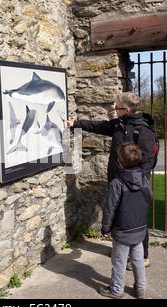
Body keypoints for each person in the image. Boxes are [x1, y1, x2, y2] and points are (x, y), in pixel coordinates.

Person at [64, 92, 156, 268]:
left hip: (134, 185)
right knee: (120, 216)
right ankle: (123, 249)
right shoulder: (120, 124)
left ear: (127, 110)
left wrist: (132, 181)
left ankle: (143, 256)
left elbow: (148, 161)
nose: (114, 108)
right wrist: (75, 124)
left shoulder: (144, 131)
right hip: (118, 180)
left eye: (117, 107)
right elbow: (99, 126)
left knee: (136, 219)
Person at [99, 141, 152, 299]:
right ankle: (141, 290)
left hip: (122, 230)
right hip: (140, 227)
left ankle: (116, 290)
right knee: (138, 260)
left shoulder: (117, 183)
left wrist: (105, 228)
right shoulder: (144, 179)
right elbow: (149, 195)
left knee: (119, 261)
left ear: (119, 162)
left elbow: (110, 208)